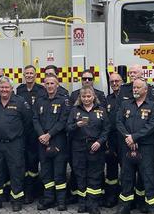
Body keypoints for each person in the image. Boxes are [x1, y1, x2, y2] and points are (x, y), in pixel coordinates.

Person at [0, 76, 32, 212]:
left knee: (16, 172)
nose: (4, 90)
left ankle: (16, 200)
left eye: (7, 87)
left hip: (14, 144)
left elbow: (28, 122)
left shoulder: (20, 102)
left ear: (12, 89)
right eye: (2, 87)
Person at [116, 78, 154, 214]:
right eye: (134, 87)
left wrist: (134, 137)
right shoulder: (125, 104)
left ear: (145, 90)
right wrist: (127, 137)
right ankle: (125, 206)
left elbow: (152, 126)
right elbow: (118, 122)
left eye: (138, 88)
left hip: (145, 148)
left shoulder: (153, 106)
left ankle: (153, 208)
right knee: (126, 176)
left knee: (149, 177)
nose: (135, 89)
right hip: (127, 146)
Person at [67, 86, 110, 214]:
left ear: (93, 97)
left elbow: (106, 129)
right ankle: (82, 203)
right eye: (84, 97)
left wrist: (99, 142)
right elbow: (67, 127)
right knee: (80, 175)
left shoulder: (101, 110)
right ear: (80, 98)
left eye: (89, 96)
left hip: (95, 147)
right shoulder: (75, 110)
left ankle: (93, 204)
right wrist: (76, 125)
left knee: (95, 176)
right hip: (79, 148)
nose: (86, 99)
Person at [33, 75, 70, 211]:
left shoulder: (63, 101)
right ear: (44, 85)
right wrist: (42, 135)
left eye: (52, 83)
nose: (49, 86)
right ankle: (49, 199)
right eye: (47, 83)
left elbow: (63, 121)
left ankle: (61, 201)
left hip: (57, 140)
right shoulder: (39, 100)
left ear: (57, 85)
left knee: (59, 172)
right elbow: (35, 118)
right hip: (42, 140)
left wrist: (49, 134)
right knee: (46, 172)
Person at [17, 64, 48, 203]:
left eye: (31, 73)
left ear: (36, 75)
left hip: (36, 132)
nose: (29, 75)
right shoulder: (20, 89)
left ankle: (34, 191)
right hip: (22, 131)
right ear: (24, 75)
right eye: (27, 73)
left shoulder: (41, 90)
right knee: (23, 162)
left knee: (34, 162)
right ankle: (25, 190)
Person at [104, 72, 124, 208]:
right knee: (111, 169)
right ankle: (111, 196)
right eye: (112, 82)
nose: (115, 84)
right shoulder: (108, 99)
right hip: (111, 139)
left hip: (124, 139)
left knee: (126, 169)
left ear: (123, 81)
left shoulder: (127, 98)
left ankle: (125, 197)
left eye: (117, 81)